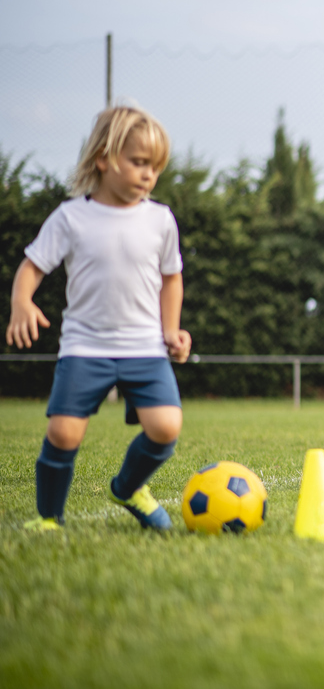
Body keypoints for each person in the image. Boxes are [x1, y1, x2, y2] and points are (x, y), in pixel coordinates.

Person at [7, 106, 193, 532]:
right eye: (139, 163)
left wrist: (171, 329)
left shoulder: (160, 220)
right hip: (85, 346)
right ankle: (48, 519)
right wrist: (22, 302)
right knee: (64, 434)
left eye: (156, 167)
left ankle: (127, 488)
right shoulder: (71, 218)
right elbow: (32, 266)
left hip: (144, 347)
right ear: (104, 160)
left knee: (166, 427)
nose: (149, 175)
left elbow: (172, 278)